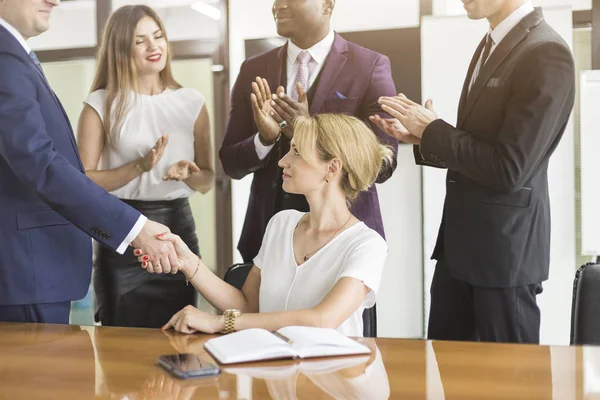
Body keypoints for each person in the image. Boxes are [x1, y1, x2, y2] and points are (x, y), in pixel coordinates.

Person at [371, 0, 575, 343]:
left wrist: (435, 130)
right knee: (453, 380)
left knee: (510, 388)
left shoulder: (546, 52)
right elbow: (484, 148)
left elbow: (510, 168)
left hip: (503, 261)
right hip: (458, 254)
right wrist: (423, 137)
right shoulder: (491, 42)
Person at [0, 0, 179, 324]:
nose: (54, 1)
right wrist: (134, 228)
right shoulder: (4, 56)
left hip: (38, 270)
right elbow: (37, 161)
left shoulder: (15, 54)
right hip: (29, 271)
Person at [139, 114, 391, 337]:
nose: (282, 161)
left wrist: (220, 323)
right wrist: (187, 261)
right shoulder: (281, 223)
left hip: (331, 382)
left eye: (296, 152)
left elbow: (323, 320)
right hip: (273, 376)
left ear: (332, 167)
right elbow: (248, 305)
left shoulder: (367, 244)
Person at [219, 0, 398, 263]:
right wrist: (265, 139)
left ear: (327, 4)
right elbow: (231, 163)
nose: (278, 6)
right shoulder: (253, 69)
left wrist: (308, 131)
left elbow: (383, 163)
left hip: (343, 239)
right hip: (267, 238)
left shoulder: (369, 66)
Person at [76, 5, 214, 328]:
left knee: (179, 340)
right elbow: (83, 182)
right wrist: (139, 166)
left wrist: (190, 175)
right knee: (121, 348)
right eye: (141, 41)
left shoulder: (192, 102)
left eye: (158, 36)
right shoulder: (100, 104)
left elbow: (208, 180)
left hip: (177, 232)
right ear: (121, 49)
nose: (154, 47)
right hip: (123, 233)